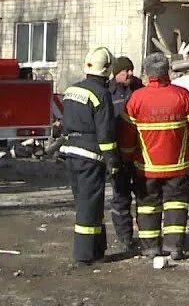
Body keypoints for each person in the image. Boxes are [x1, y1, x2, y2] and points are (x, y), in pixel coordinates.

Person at [123, 53, 189, 261]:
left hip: (147, 167)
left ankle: (150, 247)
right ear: (167, 71)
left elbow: (126, 134)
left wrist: (125, 157)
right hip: (177, 165)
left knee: (147, 205)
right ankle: (174, 247)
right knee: (176, 204)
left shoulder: (137, 98)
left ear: (146, 73)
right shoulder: (182, 95)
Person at [60, 47, 119, 266]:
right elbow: (105, 133)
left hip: (71, 153)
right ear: (109, 70)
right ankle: (84, 255)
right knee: (88, 206)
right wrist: (112, 160)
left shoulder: (72, 90)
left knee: (88, 203)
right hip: (90, 156)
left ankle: (97, 249)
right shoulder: (101, 94)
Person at [108, 56, 144, 255]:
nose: (130, 73)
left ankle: (147, 236)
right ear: (116, 73)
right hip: (119, 155)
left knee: (144, 196)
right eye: (125, 71)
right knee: (121, 198)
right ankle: (125, 239)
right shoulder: (108, 92)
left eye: (131, 70)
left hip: (140, 153)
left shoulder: (140, 89)